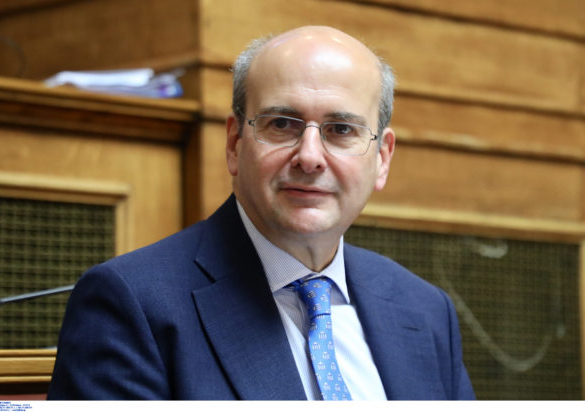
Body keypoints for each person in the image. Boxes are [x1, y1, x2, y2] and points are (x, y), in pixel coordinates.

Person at [48, 25, 475, 400]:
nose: (310, 157)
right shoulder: (132, 305)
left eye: (341, 130)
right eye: (282, 124)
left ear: (382, 158)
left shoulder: (426, 310)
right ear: (235, 144)